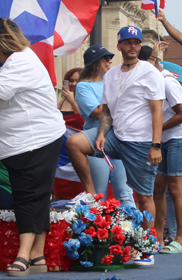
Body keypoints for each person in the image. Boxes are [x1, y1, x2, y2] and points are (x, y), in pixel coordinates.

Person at [66, 26, 165, 266]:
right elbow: (107, 110)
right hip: (114, 135)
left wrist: (156, 145)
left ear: (140, 46)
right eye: (128, 42)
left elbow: (157, 110)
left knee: (143, 197)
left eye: (136, 42)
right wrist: (101, 134)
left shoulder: (149, 71)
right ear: (119, 46)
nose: (132, 46)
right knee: (74, 142)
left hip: (140, 141)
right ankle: (90, 193)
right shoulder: (110, 75)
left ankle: (146, 247)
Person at [0, 18, 66, 276]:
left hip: (35, 141)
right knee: (38, 197)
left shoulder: (20, 61)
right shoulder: (18, 61)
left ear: (0, 42)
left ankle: (23, 256)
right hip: (24, 143)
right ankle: (37, 256)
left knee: (28, 197)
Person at [70, 45, 135, 208]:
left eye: (110, 57)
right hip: (97, 140)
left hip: (119, 137)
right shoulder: (83, 86)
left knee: (126, 193)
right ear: (95, 62)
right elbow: (98, 113)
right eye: (106, 58)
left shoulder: (115, 80)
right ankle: (98, 232)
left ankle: (134, 232)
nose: (110, 61)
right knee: (99, 194)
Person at [144, 51, 182, 254]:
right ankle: (158, 238)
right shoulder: (150, 81)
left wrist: (158, 129)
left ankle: (181, 240)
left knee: (176, 189)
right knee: (158, 188)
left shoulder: (167, 82)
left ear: (153, 63)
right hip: (163, 139)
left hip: (178, 138)